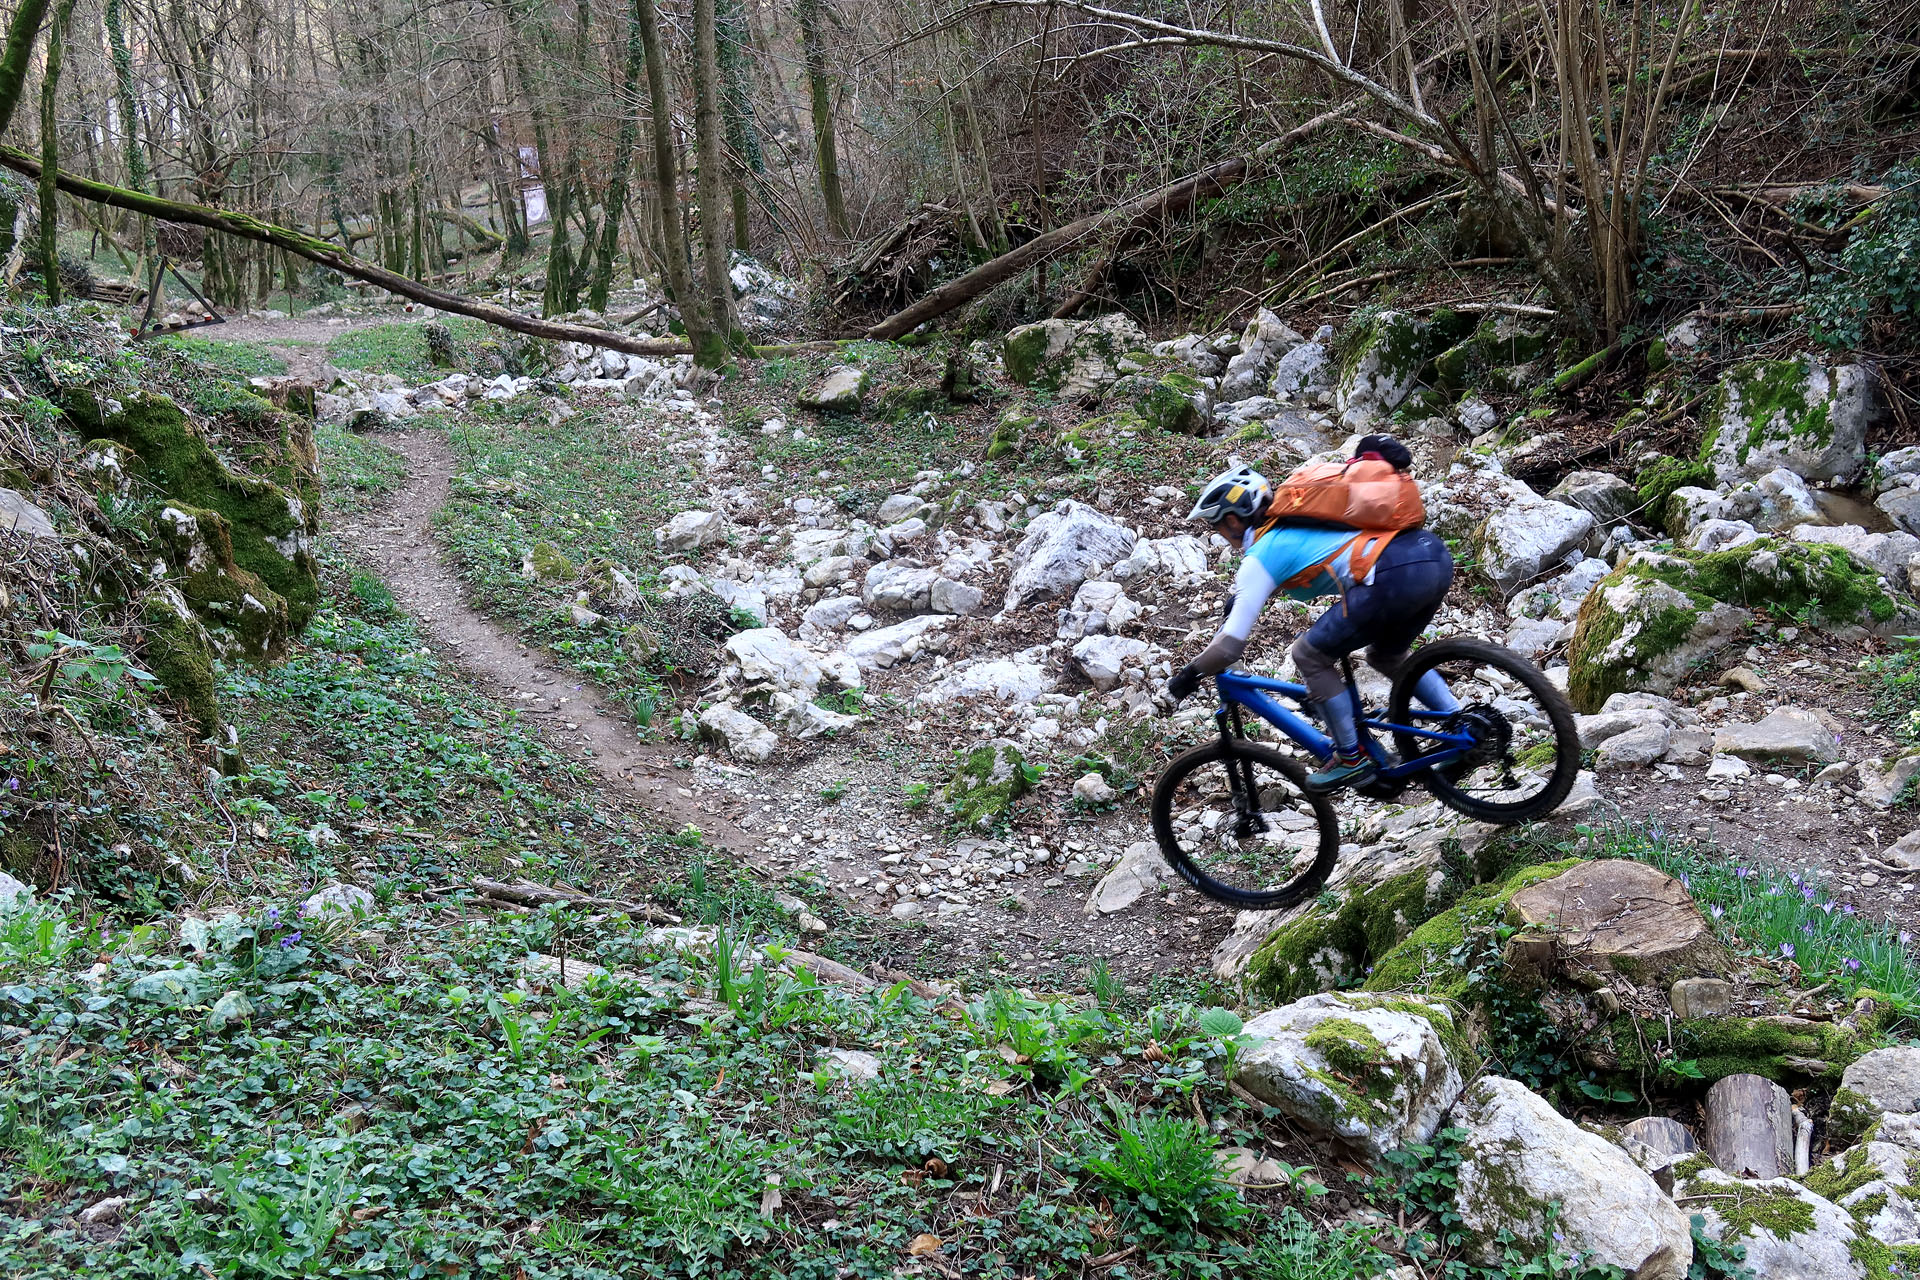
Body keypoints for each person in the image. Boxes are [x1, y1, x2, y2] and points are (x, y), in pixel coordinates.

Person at [1165, 436, 1459, 791]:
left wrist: (1187, 676)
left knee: (1308, 654)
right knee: (1386, 654)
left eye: (1218, 526)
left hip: (1392, 577)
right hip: (1431, 557)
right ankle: (1462, 723)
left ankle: (1350, 758)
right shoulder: (1299, 524)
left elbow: (1230, 649)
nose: (1221, 535)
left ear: (1232, 520)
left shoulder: (1262, 553)